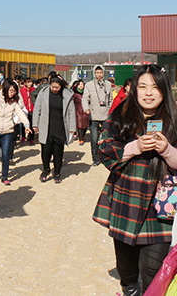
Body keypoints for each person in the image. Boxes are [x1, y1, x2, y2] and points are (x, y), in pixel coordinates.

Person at [93, 65, 177, 295]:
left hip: (162, 208)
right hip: (126, 201)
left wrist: (168, 150)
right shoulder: (121, 115)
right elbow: (103, 149)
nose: (148, 92)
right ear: (134, 89)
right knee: (127, 270)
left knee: (152, 270)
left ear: (163, 91)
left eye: (155, 87)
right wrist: (134, 147)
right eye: (143, 87)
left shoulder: (175, 119)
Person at [32, 75, 76, 183]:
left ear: (61, 86)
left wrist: (72, 128)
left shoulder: (67, 94)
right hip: (46, 125)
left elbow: (71, 112)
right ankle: (46, 169)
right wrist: (35, 124)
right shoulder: (43, 92)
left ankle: (57, 172)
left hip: (60, 126)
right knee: (45, 151)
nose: (54, 89)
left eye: (57, 87)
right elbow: (37, 108)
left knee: (58, 152)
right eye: (53, 87)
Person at [0, 79, 32, 185]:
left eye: (15, 91)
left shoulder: (14, 102)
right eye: (11, 90)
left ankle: (5, 176)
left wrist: (27, 125)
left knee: (5, 154)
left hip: (8, 131)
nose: (13, 93)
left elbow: (20, 113)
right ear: (5, 89)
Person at [82, 65, 113, 166]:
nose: (99, 75)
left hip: (105, 115)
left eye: (101, 72)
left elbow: (111, 99)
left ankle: (106, 156)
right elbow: (85, 98)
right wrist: (86, 108)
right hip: (94, 115)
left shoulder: (108, 84)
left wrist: (111, 110)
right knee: (94, 139)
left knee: (106, 138)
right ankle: (95, 158)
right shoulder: (89, 85)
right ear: (94, 74)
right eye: (97, 73)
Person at [72, 80, 89, 146]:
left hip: (85, 111)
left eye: (82, 84)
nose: (81, 86)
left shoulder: (86, 93)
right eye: (79, 84)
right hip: (78, 111)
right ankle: (81, 139)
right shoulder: (74, 94)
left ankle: (83, 136)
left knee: (85, 126)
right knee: (79, 125)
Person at [20, 77, 36, 144]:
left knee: (32, 124)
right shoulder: (22, 90)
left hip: (33, 109)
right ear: (25, 83)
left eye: (31, 82)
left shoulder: (35, 90)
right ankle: (23, 136)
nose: (30, 83)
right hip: (25, 109)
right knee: (24, 123)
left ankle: (31, 138)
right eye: (28, 82)